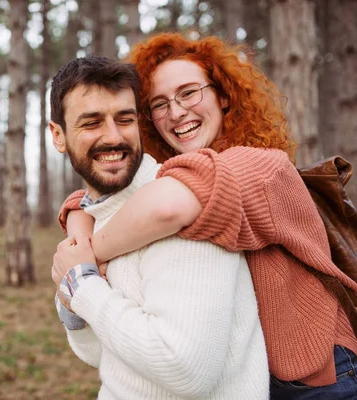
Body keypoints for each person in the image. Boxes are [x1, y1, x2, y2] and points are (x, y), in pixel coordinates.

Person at [58, 33, 357, 398]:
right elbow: (91, 200)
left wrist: (85, 262)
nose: (177, 111)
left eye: (189, 93)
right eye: (159, 103)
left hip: (318, 376)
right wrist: (78, 217)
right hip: (259, 376)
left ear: (224, 96)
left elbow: (165, 207)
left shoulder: (261, 165)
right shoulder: (178, 174)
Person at [49, 55, 269, 399]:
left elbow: (186, 370)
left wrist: (81, 286)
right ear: (58, 136)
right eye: (91, 122)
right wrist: (74, 296)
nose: (112, 137)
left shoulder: (188, 206)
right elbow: (95, 352)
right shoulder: (94, 219)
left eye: (124, 119)